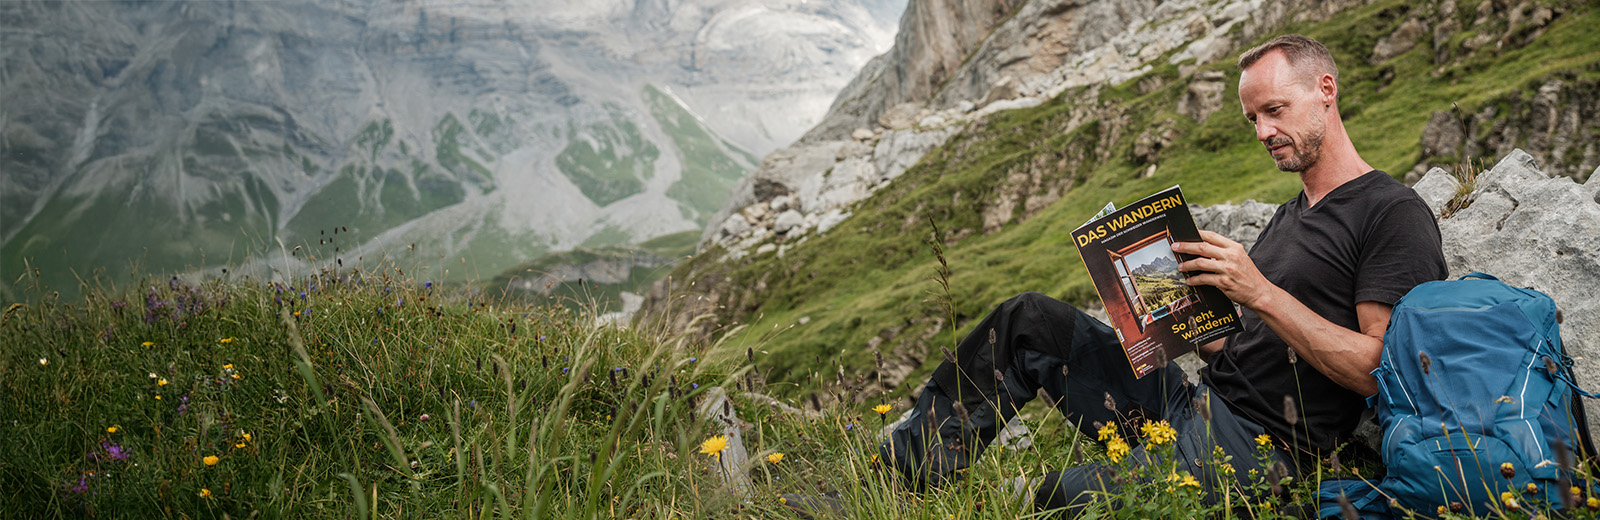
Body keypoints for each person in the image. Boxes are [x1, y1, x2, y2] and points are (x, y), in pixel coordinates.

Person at [876, 34, 1448, 515]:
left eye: (1274, 110)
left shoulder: (1390, 212)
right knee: (1027, 321)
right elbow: (1241, 346)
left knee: (1055, 496)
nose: (1262, 132)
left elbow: (1381, 372)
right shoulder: (1293, 213)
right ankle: (898, 481)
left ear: (1326, 90)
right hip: (1191, 403)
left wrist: (1260, 292)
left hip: (1264, 450)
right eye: (1252, 118)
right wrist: (1165, 298)